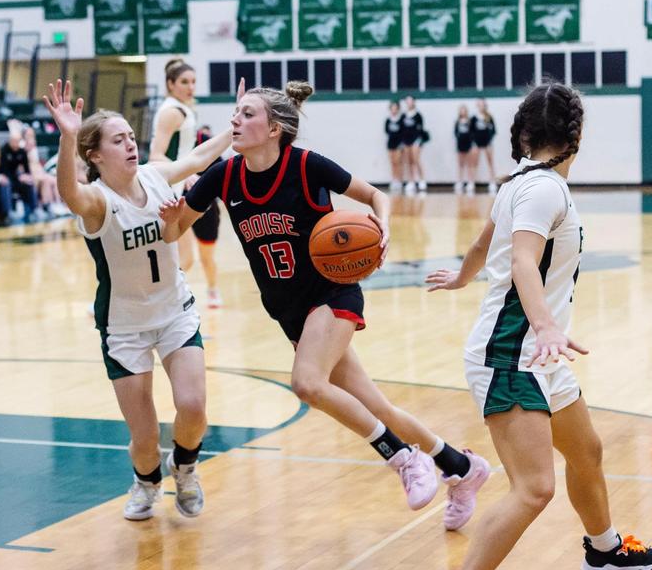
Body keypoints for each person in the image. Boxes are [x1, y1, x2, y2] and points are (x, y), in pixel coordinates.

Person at [161, 81, 490, 520]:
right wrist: (171, 218)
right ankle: (462, 467)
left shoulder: (306, 165)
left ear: (274, 127)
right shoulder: (222, 176)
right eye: (235, 113)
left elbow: (376, 195)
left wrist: (384, 227)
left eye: (246, 114)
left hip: (332, 292)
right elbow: (172, 232)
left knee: (308, 383)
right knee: (376, 407)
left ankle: (402, 457)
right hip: (290, 311)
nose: (234, 121)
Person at [425, 80, 652, 570]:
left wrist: (463, 278)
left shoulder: (519, 182)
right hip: (513, 352)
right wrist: (544, 326)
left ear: (523, 134)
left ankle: (604, 552)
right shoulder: (544, 190)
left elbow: (483, 244)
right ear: (575, 135)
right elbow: (520, 262)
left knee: (586, 451)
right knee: (534, 488)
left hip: (535, 351)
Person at [42, 79, 235, 521]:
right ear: (96, 155)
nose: (130, 144)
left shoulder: (154, 174)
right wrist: (68, 135)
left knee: (192, 406)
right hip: (124, 325)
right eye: (118, 140)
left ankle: (185, 467)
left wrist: (235, 125)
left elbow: (200, 157)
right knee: (144, 436)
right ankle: (146, 483)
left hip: (174, 312)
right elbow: (69, 193)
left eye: (131, 136)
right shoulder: (97, 201)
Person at [149, 59, 224, 309]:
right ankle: (157, 301)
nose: (190, 86)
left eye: (193, 81)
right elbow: (156, 155)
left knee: (183, 258)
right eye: (184, 82)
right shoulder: (172, 112)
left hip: (178, 189)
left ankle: (160, 301)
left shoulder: (182, 109)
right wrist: (184, 172)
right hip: (167, 191)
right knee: (183, 258)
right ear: (170, 84)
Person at [21, 126, 68, 217]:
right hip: (30, 173)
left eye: (32, 133)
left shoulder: (34, 147)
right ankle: (49, 205)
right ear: (24, 135)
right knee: (46, 180)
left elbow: (37, 163)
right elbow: (25, 164)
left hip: (38, 172)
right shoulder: (22, 146)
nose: (31, 135)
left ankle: (58, 204)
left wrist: (42, 172)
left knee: (54, 180)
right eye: (29, 134)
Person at [0, 128, 39, 223]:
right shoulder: (4, 151)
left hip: (16, 178)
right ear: (10, 141)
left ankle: (34, 210)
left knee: (30, 183)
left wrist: (27, 177)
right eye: (13, 141)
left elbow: (26, 169)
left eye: (17, 141)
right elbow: (4, 170)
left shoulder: (22, 152)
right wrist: (19, 177)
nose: (15, 143)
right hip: (5, 177)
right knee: (6, 184)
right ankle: (8, 212)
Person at [400, 95, 428, 195]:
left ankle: (422, 180)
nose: (409, 103)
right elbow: (401, 129)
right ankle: (411, 181)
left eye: (410, 101)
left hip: (416, 140)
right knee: (409, 161)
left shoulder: (418, 115)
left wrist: (418, 140)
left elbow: (421, 129)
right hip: (406, 141)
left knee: (416, 160)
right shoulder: (403, 115)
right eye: (407, 101)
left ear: (414, 102)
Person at [472, 98, 498, 194]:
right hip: (477, 143)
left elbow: (494, 130)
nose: (481, 106)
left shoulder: (489, 117)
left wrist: (489, 141)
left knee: (490, 163)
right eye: (479, 104)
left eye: (482, 104)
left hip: (488, 143)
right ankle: (472, 182)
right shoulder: (474, 118)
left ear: (485, 105)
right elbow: (471, 131)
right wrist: (474, 142)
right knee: (474, 163)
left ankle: (492, 182)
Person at [384, 101, 405, 194]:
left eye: (395, 108)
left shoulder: (401, 120)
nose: (394, 109)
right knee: (392, 162)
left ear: (398, 109)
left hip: (398, 144)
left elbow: (403, 132)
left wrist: (401, 142)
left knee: (398, 162)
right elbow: (386, 131)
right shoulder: (388, 120)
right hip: (390, 143)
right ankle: (394, 180)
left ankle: (399, 181)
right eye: (392, 108)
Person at [454, 105, 475, 195]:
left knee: (469, 164)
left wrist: (470, 141)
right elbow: (455, 132)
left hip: (468, 145)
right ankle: (460, 182)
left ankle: (470, 182)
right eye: (461, 110)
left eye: (464, 110)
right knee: (460, 164)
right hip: (460, 144)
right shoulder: (457, 122)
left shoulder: (470, 122)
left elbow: (472, 132)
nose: (462, 112)